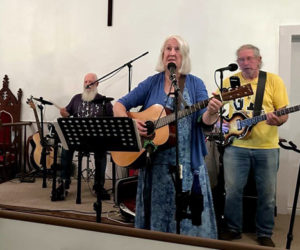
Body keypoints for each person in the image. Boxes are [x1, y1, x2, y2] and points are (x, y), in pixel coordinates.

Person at [113, 35, 222, 238]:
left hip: (188, 166)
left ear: (184, 56)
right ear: (162, 55)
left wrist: (213, 112)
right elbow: (119, 105)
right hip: (154, 166)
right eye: (168, 48)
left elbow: (203, 121)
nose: (172, 52)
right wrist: (129, 123)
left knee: (187, 220)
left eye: (177, 49)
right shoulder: (151, 83)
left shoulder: (195, 84)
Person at [219, 44, 289, 247]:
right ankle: (233, 229)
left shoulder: (272, 81)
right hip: (235, 145)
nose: (245, 63)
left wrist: (279, 120)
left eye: (249, 58)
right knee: (232, 191)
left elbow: (283, 111)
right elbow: (215, 105)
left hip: (267, 147)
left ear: (259, 60)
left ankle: (264, 232)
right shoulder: (231, 81)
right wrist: (219, 122)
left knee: (267, 193)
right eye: (241, 60)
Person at [59, 73, 113, 200]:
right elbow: (67, 114)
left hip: (96, 140)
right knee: (66, 147)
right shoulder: (76, 98)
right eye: (85, 81)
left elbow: (112, 120)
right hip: (78, 139)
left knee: (101, 151)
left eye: (91, 82)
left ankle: (98, 185)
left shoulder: (104, 101)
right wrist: (64, 113)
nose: (87, 84)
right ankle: (64, 183)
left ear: (97, 84)